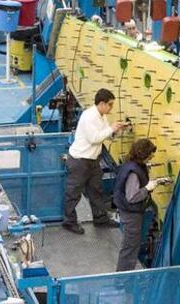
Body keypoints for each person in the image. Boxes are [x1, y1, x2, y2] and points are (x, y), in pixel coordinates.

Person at [62, 88, 128, 234]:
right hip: (80, 161)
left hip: (92, 161)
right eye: (110, 105)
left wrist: (115, 131)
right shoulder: (89, 116)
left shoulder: (102, 116)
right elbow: (94, 138)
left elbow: (105, 136)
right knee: (73, 192)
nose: (112, 108)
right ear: (102, 103)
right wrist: (110, 128)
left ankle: (100, 218)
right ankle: (69, 221)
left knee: (96, 190)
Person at [114, 139, 163, 271]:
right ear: (143, 155)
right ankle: (123, 278)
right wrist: (147, 188)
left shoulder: (132, 164)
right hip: (131, 214)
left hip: (129, 211)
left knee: (131, 244)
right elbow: (132, 197)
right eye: (150, 155)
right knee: (130, 246)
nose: (152, 157)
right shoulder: (134, 174)